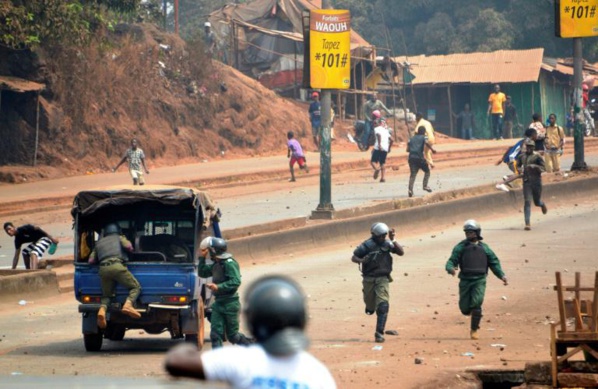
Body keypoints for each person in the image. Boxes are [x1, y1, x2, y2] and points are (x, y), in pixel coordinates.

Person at [164, 274, 337, 388]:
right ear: (302, 321)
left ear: (252, 320)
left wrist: (189, 345)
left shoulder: (241, 360)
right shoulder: (319, 374)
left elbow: (175, 362)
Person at [445, 219, 508, 340]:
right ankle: (472, 313)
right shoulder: (460, 247)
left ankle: (474, 330)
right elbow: (451, 261)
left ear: (477, 233)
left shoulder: (485, 248)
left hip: (479, 280)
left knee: (477, 303)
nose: (469, 234)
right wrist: (451, 269)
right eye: (467, 232)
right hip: (465, 280)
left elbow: (494, 263)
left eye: (471, 232)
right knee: (464, 309)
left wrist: (502, 276)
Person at [351, 222, 404, 343]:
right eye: (379, 236)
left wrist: (393, 240)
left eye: (383, 236)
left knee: (383, 305)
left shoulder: (387, 244)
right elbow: (354, 257)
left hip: (383, 278)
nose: (382, 238)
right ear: (374, 235)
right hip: (369, 278)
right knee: (370, 304)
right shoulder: (366, 246)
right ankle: (370, 307)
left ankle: (379, 333)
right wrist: (362, 260)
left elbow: (401, 252)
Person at [197, 237, 252, 348]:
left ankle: (253, 347)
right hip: (218, 304)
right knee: (215, 335)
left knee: (233, 336)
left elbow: (236, 281)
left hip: (230, 304)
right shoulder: (216, 264)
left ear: (213, 250)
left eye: (208, 250)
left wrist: (218, 286)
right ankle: (217, 361)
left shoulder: (229, 263)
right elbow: (202, 272)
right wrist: (202, 258)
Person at [88, 223, 142, 329]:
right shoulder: (119, 237)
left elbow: (91, 261)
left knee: (107, 296)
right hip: (117, 267)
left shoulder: (99, 243)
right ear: (118, 231)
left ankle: (102, 311)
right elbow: (129, 247)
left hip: (103, 269)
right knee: (135, 287)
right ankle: (128, 305)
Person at [515, 138, 548, 230]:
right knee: (527, 201)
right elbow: (517, 165)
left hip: (536, 182)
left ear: (533, 147)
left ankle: (542, 204)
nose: (529, 148)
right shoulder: (522, 156)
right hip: (527, 182)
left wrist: (535, 167)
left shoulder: (537, 156)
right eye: (527, 146)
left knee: (536, 202)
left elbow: (544, 168)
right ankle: (527, 223)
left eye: (530, 147)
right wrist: (519, 169)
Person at [406, 126, 436, 197]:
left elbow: (407, 149)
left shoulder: (411, 138)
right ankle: (425, 186)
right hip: (420, 158)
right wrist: (432, 149)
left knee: (413, 175)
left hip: (411, 158)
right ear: (423, 132)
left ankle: (410, 190)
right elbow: (426, 143)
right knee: (427, 171)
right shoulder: (424, 137)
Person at [371, 114, 393, 183]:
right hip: (385, 148)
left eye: (375, 123)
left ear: (379, 123)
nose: (374, 124)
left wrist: (380, 145)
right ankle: (383, 178)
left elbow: (378, 135)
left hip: (378, 147)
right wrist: (389, 148)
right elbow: (392, 140)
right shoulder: (386, 130)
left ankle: (377, 169)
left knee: (373, 161)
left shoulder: (376, 129)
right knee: (382, 163)